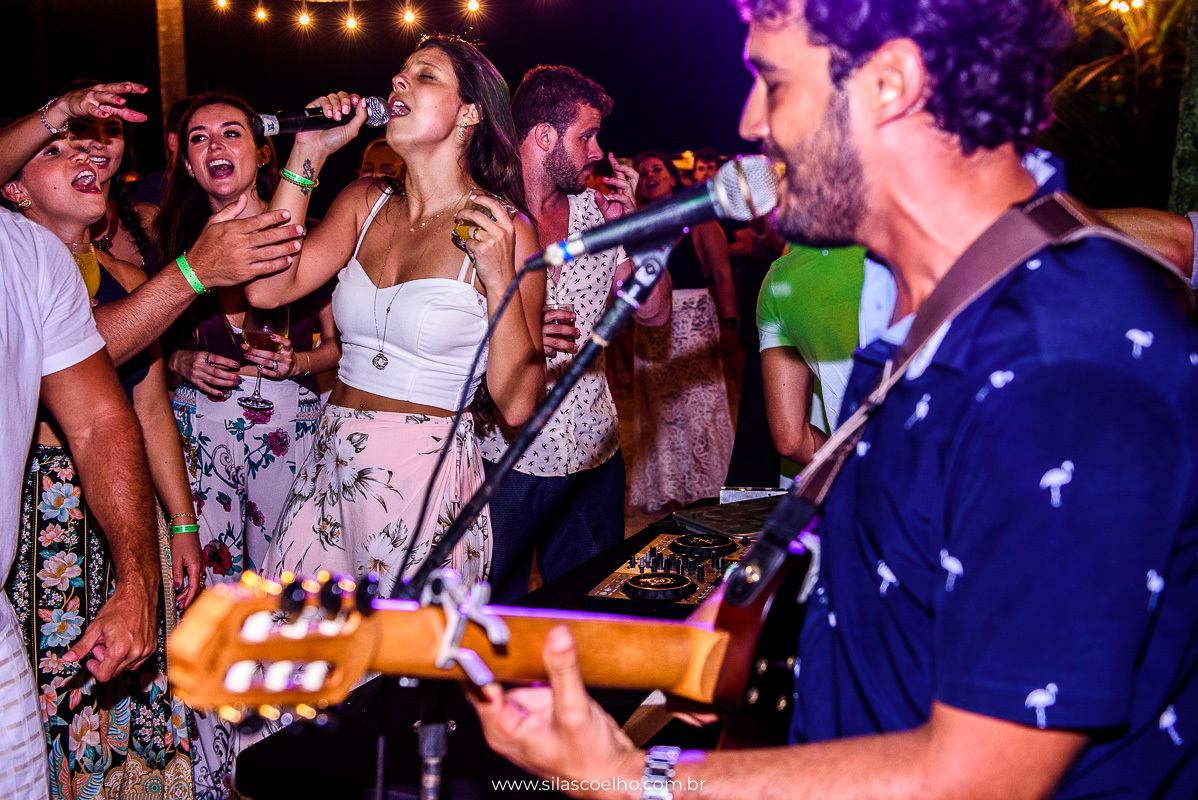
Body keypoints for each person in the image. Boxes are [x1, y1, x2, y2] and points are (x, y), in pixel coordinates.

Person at [472, 1, 1198, 798]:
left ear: (890, 82)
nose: (752, 121)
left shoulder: (1060, 360)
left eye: (773, 82)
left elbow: (980, 778)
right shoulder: (935, 303)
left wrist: (629, 777)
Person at [247, 34, 544, 597]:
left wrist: (500, 273)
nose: (397, 83)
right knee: (295, 660)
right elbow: (267, 288)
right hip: (330, 462)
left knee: (394, 670)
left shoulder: (504, 226)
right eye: (400, 73)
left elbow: (521, 403)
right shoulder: (364, 201)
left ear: (470, 114)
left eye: (425, 74)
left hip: (423, 477)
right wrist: (307, 153)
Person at [149, 92, 340, 800]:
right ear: (189, 162)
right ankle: (213, 774)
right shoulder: (166, 241)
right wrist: (180, 364)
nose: (215, 146)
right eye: (199, 138)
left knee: (288, 601)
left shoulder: (309, 232)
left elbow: (342, 348)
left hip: (288, 437)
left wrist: (297, 363)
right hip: (198, 444)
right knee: (212, 606)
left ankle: (284, 761)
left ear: (262, 150)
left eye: (232, 131)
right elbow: (139, 351)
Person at [2, 130, 199, 798]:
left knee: (130, 698)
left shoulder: (130, 281)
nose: (83, 160)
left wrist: (180, 525)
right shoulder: (23, 272)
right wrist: (196, 272)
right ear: (13, 186)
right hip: (39, 512)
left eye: (89, 151)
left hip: (118, 507)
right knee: (50, 691)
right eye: (56, 153)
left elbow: (144, 414)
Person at [476, 65, 671, 603]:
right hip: (504, 455)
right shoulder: (481, 217)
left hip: (592, 456)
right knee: (498, 613)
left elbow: (655, 314)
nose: (596, 150)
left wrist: (640, 231)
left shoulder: (598, 214)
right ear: (543, 136)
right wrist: (516, 327)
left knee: (589, 610)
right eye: (585, 135)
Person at [628, 152, 739, 512]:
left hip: (695, 323)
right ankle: (669, 491)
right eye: (643, 172)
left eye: (656, 169)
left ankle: (708, 489)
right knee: (661, 412)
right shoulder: (637, 225)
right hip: (653, 330)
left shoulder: (700, 221)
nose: (649, 176)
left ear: (672, 177)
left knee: (700, 409)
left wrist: (730, 323)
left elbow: (722, 274)